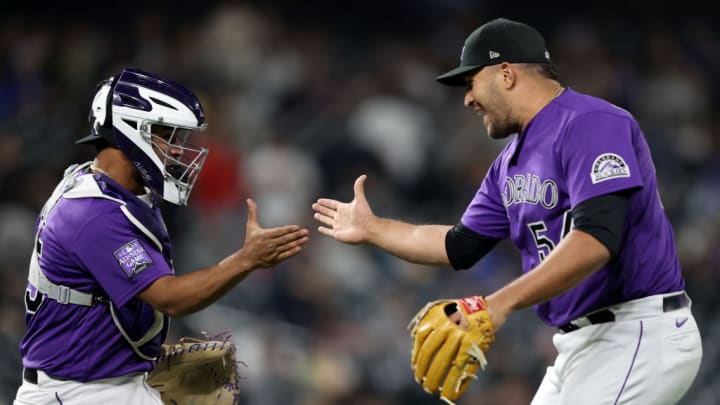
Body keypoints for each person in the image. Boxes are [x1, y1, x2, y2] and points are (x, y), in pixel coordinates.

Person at [312, 18, 702, 404]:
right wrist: (374, 228)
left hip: (637, 332)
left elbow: (597, 238)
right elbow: (458, 246)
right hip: (580, 347)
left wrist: (497, 304)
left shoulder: (590, 122)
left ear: (506, 73)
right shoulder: (509, 162)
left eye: (471, 82)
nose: (467, 98)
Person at [14, 67, 309, 404]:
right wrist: (246, 260)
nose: (180, 150)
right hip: (80, 392)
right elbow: (169, 298)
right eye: (168, 135)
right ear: (129, 131)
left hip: (97, 383)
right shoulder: (93, 214)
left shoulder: (110, 189)